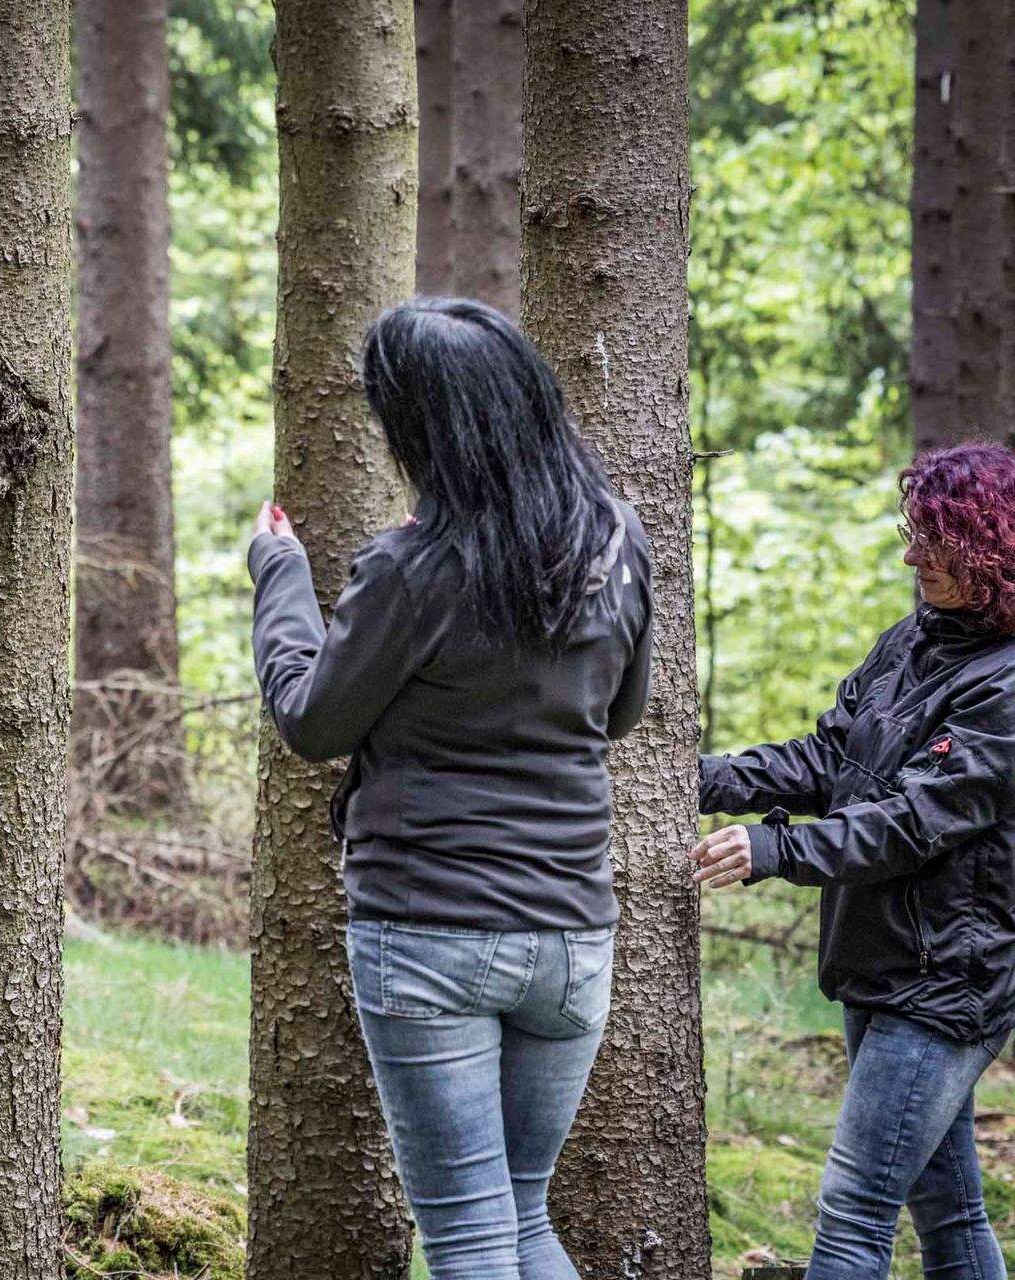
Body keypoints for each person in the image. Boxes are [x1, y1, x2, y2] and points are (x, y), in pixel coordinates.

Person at [249, 297, 654, 1279]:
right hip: (569, 937)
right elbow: (622, 711)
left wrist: (279, 577)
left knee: (472, 1234)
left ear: (421, 427)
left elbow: (312, 719)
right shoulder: (614, 539)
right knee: (521, 1218)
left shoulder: (411, 568)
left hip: (431, 930)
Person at [692, 442, 1015, 1280]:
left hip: (947, 981)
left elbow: (913, 822)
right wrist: (699, 780)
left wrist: (776, 849)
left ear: (991, 553)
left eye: (937, 546)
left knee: (852, 1216)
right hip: (880, 960)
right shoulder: (914, 639)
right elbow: (829, 758)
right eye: (914, 536)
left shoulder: (1007, 686)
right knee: (950, 1212)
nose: (913, 558)